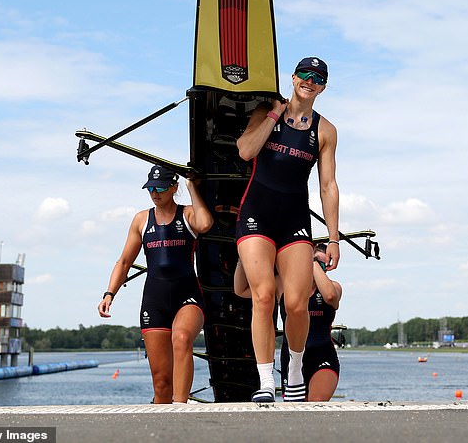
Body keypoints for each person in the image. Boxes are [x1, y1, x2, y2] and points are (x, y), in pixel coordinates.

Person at [236, 57, 340, 402]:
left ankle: (294, 368)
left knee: (296, 304)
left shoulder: (325, 131)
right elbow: (246, 150)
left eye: (318, 78)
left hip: (295, 219)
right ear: (293, 77)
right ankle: (265, 380)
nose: (310, 81)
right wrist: (273, 114)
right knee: (264, 296)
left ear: (323, 87)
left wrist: (334, 238)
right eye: (305, 74)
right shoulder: (267, 110)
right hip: (256, 215)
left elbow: (328, 186)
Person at [98, 165, 213, 404]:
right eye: (150, 188)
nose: (154, 192)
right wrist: (109, 293)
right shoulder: (141, 219)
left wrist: (192, 187)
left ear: (174, 187)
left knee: (181, 339)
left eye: (160, 187)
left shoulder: (188, 214)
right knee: (161, 384)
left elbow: (205, 224)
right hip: (155, 300)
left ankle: (181, 408)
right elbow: (124, 262)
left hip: (187, 296)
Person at [234, 243, 342, 402]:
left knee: (316, 401)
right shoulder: (282, 285)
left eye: (320, 263)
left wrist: (310, 262)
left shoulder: (333, 287)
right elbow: (240, 290)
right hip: (290, 358)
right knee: (294, 407)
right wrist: (243, 259)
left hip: (322, 355)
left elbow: (330, 296)